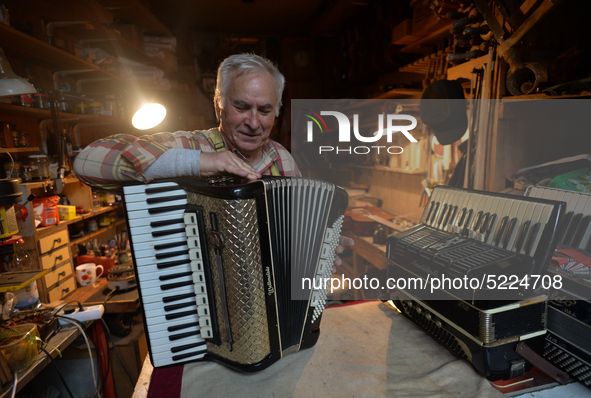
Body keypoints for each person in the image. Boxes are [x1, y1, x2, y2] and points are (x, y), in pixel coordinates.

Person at [74, 53, 353, 264]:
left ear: (276, 112)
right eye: (241, 106)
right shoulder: (190, 145)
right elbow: (86, 162)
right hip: (191, 311)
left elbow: (292, 232)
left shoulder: (282, 159)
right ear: (219, 104)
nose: (254, 123)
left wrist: (317, 247)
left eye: (265, 110)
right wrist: (199, 162)